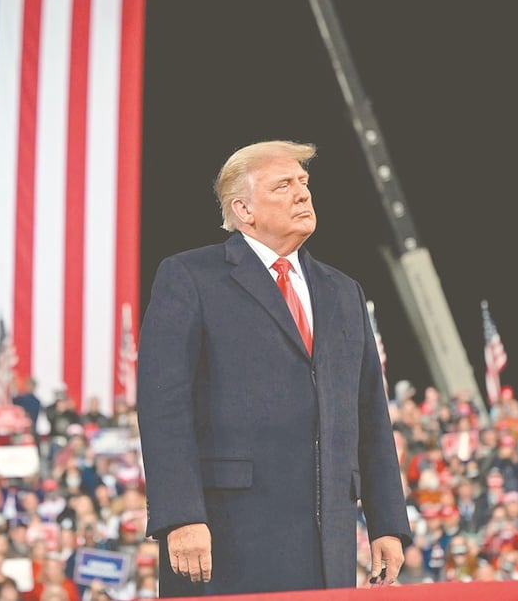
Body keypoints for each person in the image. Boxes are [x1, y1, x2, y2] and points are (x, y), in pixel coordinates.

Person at [137, 140, 410, 595]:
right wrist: (181, 516)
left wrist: (387, 523)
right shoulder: (190, 277)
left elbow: (370, 414)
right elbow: (163, 406)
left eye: (303, 182)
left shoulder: (344, 291)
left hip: (330, 540)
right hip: (228, 535)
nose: (302, 194)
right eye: (283, 185)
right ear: (243, 209)